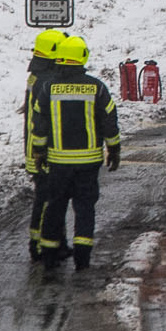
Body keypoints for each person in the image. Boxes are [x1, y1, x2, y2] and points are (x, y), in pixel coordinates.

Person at [25, 35, 120, 276]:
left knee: (55, 207)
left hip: (57, 163)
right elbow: (109, 120)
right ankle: (82, 258)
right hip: (88, 163)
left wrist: (39, 152)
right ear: (83, 57)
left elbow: (39, 124)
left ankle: (48, 257)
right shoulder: (97, 87)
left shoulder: (47, 88)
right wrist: (114, 149)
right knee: (85, 208)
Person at [20, 27, 66, 262]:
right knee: (46, 200)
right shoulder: (46, 81)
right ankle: (38, 246)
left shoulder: (37, 76)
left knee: (49, 198)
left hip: (36, 148)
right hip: (41, 150)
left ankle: (53, 242)